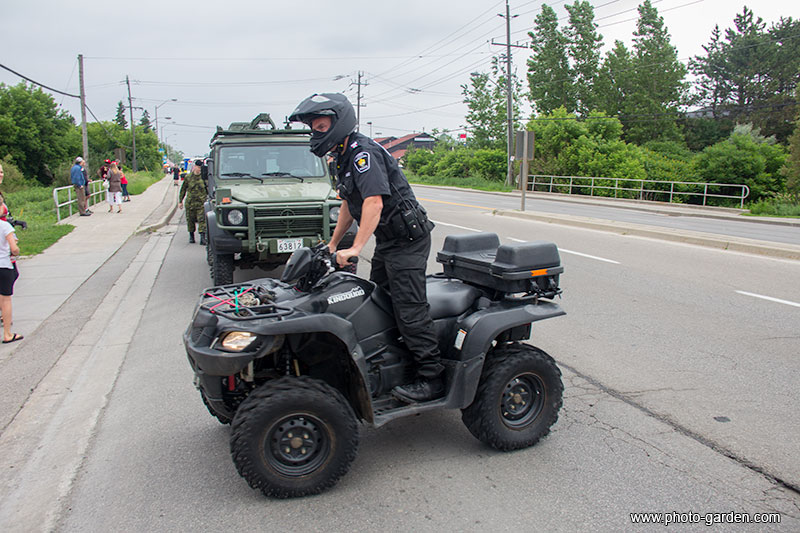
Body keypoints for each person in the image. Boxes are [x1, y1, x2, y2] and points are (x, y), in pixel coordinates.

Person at [289, 93, 444, 403]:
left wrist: (357, 247)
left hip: (408, 241)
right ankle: (398, 364)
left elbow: (374, 201)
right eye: (313, 128)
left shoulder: (363, 154)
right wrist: (333, 243)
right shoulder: (342, 155)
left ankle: (433, 377)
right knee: (378, 302)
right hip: (390, 240)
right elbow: (350, 201)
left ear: (338, 122)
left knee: (409, 309)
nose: (316, 133)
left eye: (320, 126)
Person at [0, 192, 22, 344]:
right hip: (3, 265)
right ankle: (7, 333)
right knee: (5, 299)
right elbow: (14, 249)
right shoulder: (5, 226)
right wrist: (16, 249)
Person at [178, 160, 207, 244]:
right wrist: (180, 201)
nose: (199, 169)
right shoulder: (188, 177)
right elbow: (183, 189)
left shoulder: (204, 178)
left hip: (201, 203)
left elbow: (208, 189)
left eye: (200, 168)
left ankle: (202, 237)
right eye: (198, 167)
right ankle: (191, 236)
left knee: (202, 220)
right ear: (194, 167)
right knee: (190, 220)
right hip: (190, 203)